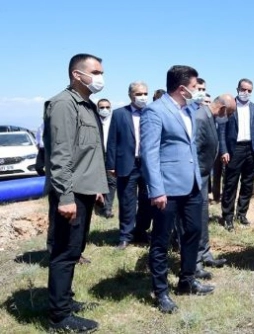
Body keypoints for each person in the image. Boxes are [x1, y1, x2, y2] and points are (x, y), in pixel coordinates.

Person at [140, 65, 214, 314]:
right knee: (161, 240)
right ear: (182, 89)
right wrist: (156, 190)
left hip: (191, 184)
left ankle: (187, 280)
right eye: (195, 87)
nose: (198, 91)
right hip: (167, 188)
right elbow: (149, 153)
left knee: (193, 231)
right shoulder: (155, 111)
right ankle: (161, 291)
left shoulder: (189, 110)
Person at [44, 53, 108, 332]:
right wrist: (66, 198)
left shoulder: (87, 105)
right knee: (65, 252)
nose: (100, 77)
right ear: (77, 75)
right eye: (95, 72)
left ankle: (65, 300)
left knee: (75, 249)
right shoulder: (63, 105)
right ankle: (59, 317)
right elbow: (60, 156)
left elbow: (89, 153)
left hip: (85, 190)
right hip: (70, 192)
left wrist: (97, 188)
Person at [190, 94, 236, 278]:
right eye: (229, 114)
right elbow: (193, 149)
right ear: (222, 109)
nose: (228, 118)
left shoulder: (209, 116)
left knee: (203, 216)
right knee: (194, 220)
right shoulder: (200, 118)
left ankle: (205, 253)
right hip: (196, 176)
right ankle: (194, 262)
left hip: (203, 174)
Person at [106, 82, 152, 249]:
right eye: (138, 94)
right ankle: (125, 235)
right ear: (130, 95)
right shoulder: (119, 114)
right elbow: (112, 140)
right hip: (127, 163)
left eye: (145, 93)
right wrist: (110, 164)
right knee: (127, 201)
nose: (142, 97)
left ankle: (141, 231)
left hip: (147, 164)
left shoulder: (152, 112)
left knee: (147, 200)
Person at [218, 78, 254, 230]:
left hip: (251, 149)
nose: (246, 92)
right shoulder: (229, 106)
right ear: (237, 89)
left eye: (249, 90)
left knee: (247, 184)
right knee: (230, 184)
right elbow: (222, 131)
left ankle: (242, 214)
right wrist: (224, 150)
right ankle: (227, 217)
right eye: (243, 89)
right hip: (234, 150)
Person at [97, 99, 116, 219]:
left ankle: (107, 208)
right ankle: (99, 205)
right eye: (102, 107)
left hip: (110, 154)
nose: (105, 109)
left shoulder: (114, 121)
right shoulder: (94, 121)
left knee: (112, 181)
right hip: (97, 154)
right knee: (98, 181)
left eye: (107, 107)